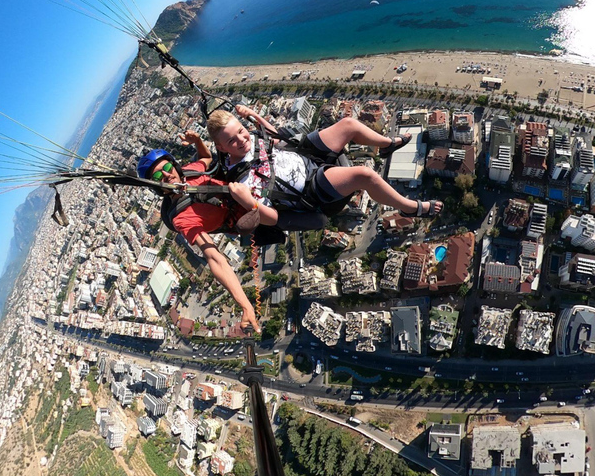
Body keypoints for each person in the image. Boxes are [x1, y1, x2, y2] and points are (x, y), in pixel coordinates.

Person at [137, 131, 270, 334]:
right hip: (245, 215)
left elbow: (206, 159)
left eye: (166, 167)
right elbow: (214, 257)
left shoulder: (189, 172)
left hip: (247, 189)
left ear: (174, 164)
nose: (166, 174)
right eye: (157, 176)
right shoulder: (181, 218)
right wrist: (245, 305)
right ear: (158, 187)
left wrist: (198, 141)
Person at [206, 105, 443, 218]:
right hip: (309, 188)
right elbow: (273, 219)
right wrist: (251, 204)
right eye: (231, 139)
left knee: (349, 124)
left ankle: (386, 145)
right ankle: (410, 208)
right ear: (220, 147)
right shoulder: (242, 182)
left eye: (241, 131)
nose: (241, 139)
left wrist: (254, 117)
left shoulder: (251, 138)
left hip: (302, 155)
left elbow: (276, 138)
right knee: (365, 175)